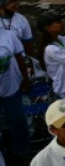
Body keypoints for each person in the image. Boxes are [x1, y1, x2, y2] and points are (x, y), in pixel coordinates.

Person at [0, 22, 30, 162]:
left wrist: (25, 79)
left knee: (17, 120)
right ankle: (4, 150)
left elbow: (20, 59)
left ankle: (22, 150)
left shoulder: (9, 36)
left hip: (11, 88)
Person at [37, 13, 65, 100]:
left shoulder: (60, 39)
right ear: (47, 28)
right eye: (58, 22)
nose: (62, 23)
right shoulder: (50, 49)